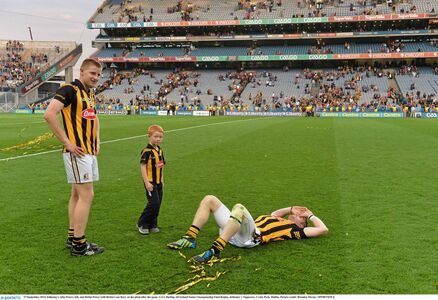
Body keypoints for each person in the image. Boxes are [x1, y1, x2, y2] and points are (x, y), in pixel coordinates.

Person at [44, 58, 104, 256]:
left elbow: (94, 119)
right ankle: (79, 244)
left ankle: (73, 236)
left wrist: (97, 140)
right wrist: (67, 142)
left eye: (98, 74)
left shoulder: (90, 93)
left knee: (77, 195)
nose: (96, 77)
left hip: (88, 152)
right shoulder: (69, 90)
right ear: (82, 72)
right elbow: (49, 114)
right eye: (92, 73)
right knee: (88, 195)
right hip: (77, 153)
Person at [167, 195, 328, 263]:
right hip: (233, 231)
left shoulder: (295, 230)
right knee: (210, 199)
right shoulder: (277, 218)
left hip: (250, 238)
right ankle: (190, 238)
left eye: (302, 218)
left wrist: (310, 215)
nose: (301, 214)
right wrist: (291, 208)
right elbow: (276, 213)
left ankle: (216, 249)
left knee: (240, 208)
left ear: (302, 225)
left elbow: (323, 230)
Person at [137, 125, 166, 235]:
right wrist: (147, 182)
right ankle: (142, 223)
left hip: (159, 182)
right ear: (149, 136)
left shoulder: (160, 150)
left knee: (158, 204)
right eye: (155, 136)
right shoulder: (146, 151)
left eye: (160, 137)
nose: (158, 139)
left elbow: (161, 165)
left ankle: (153, 224)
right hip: (150, 182)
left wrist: (162, 179)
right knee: (153, 203)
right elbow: (143, 167)